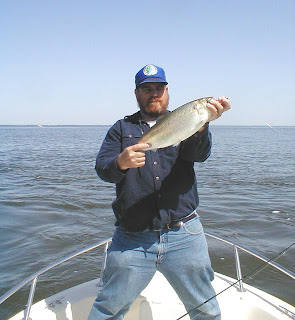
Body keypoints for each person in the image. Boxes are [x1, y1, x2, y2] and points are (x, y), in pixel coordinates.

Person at [88, 64, 231, 320]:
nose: (154, 94)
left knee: (206, 310)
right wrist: (120, 162)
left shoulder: (187, 119)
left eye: (159, 88)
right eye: (147, 89)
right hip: (132, 238)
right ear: (137, 93)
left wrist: (201, 125)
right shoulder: (121, 129)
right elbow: (102, 169)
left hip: (185, 234)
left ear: (167, 91)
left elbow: (200, 154)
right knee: (108, 311)